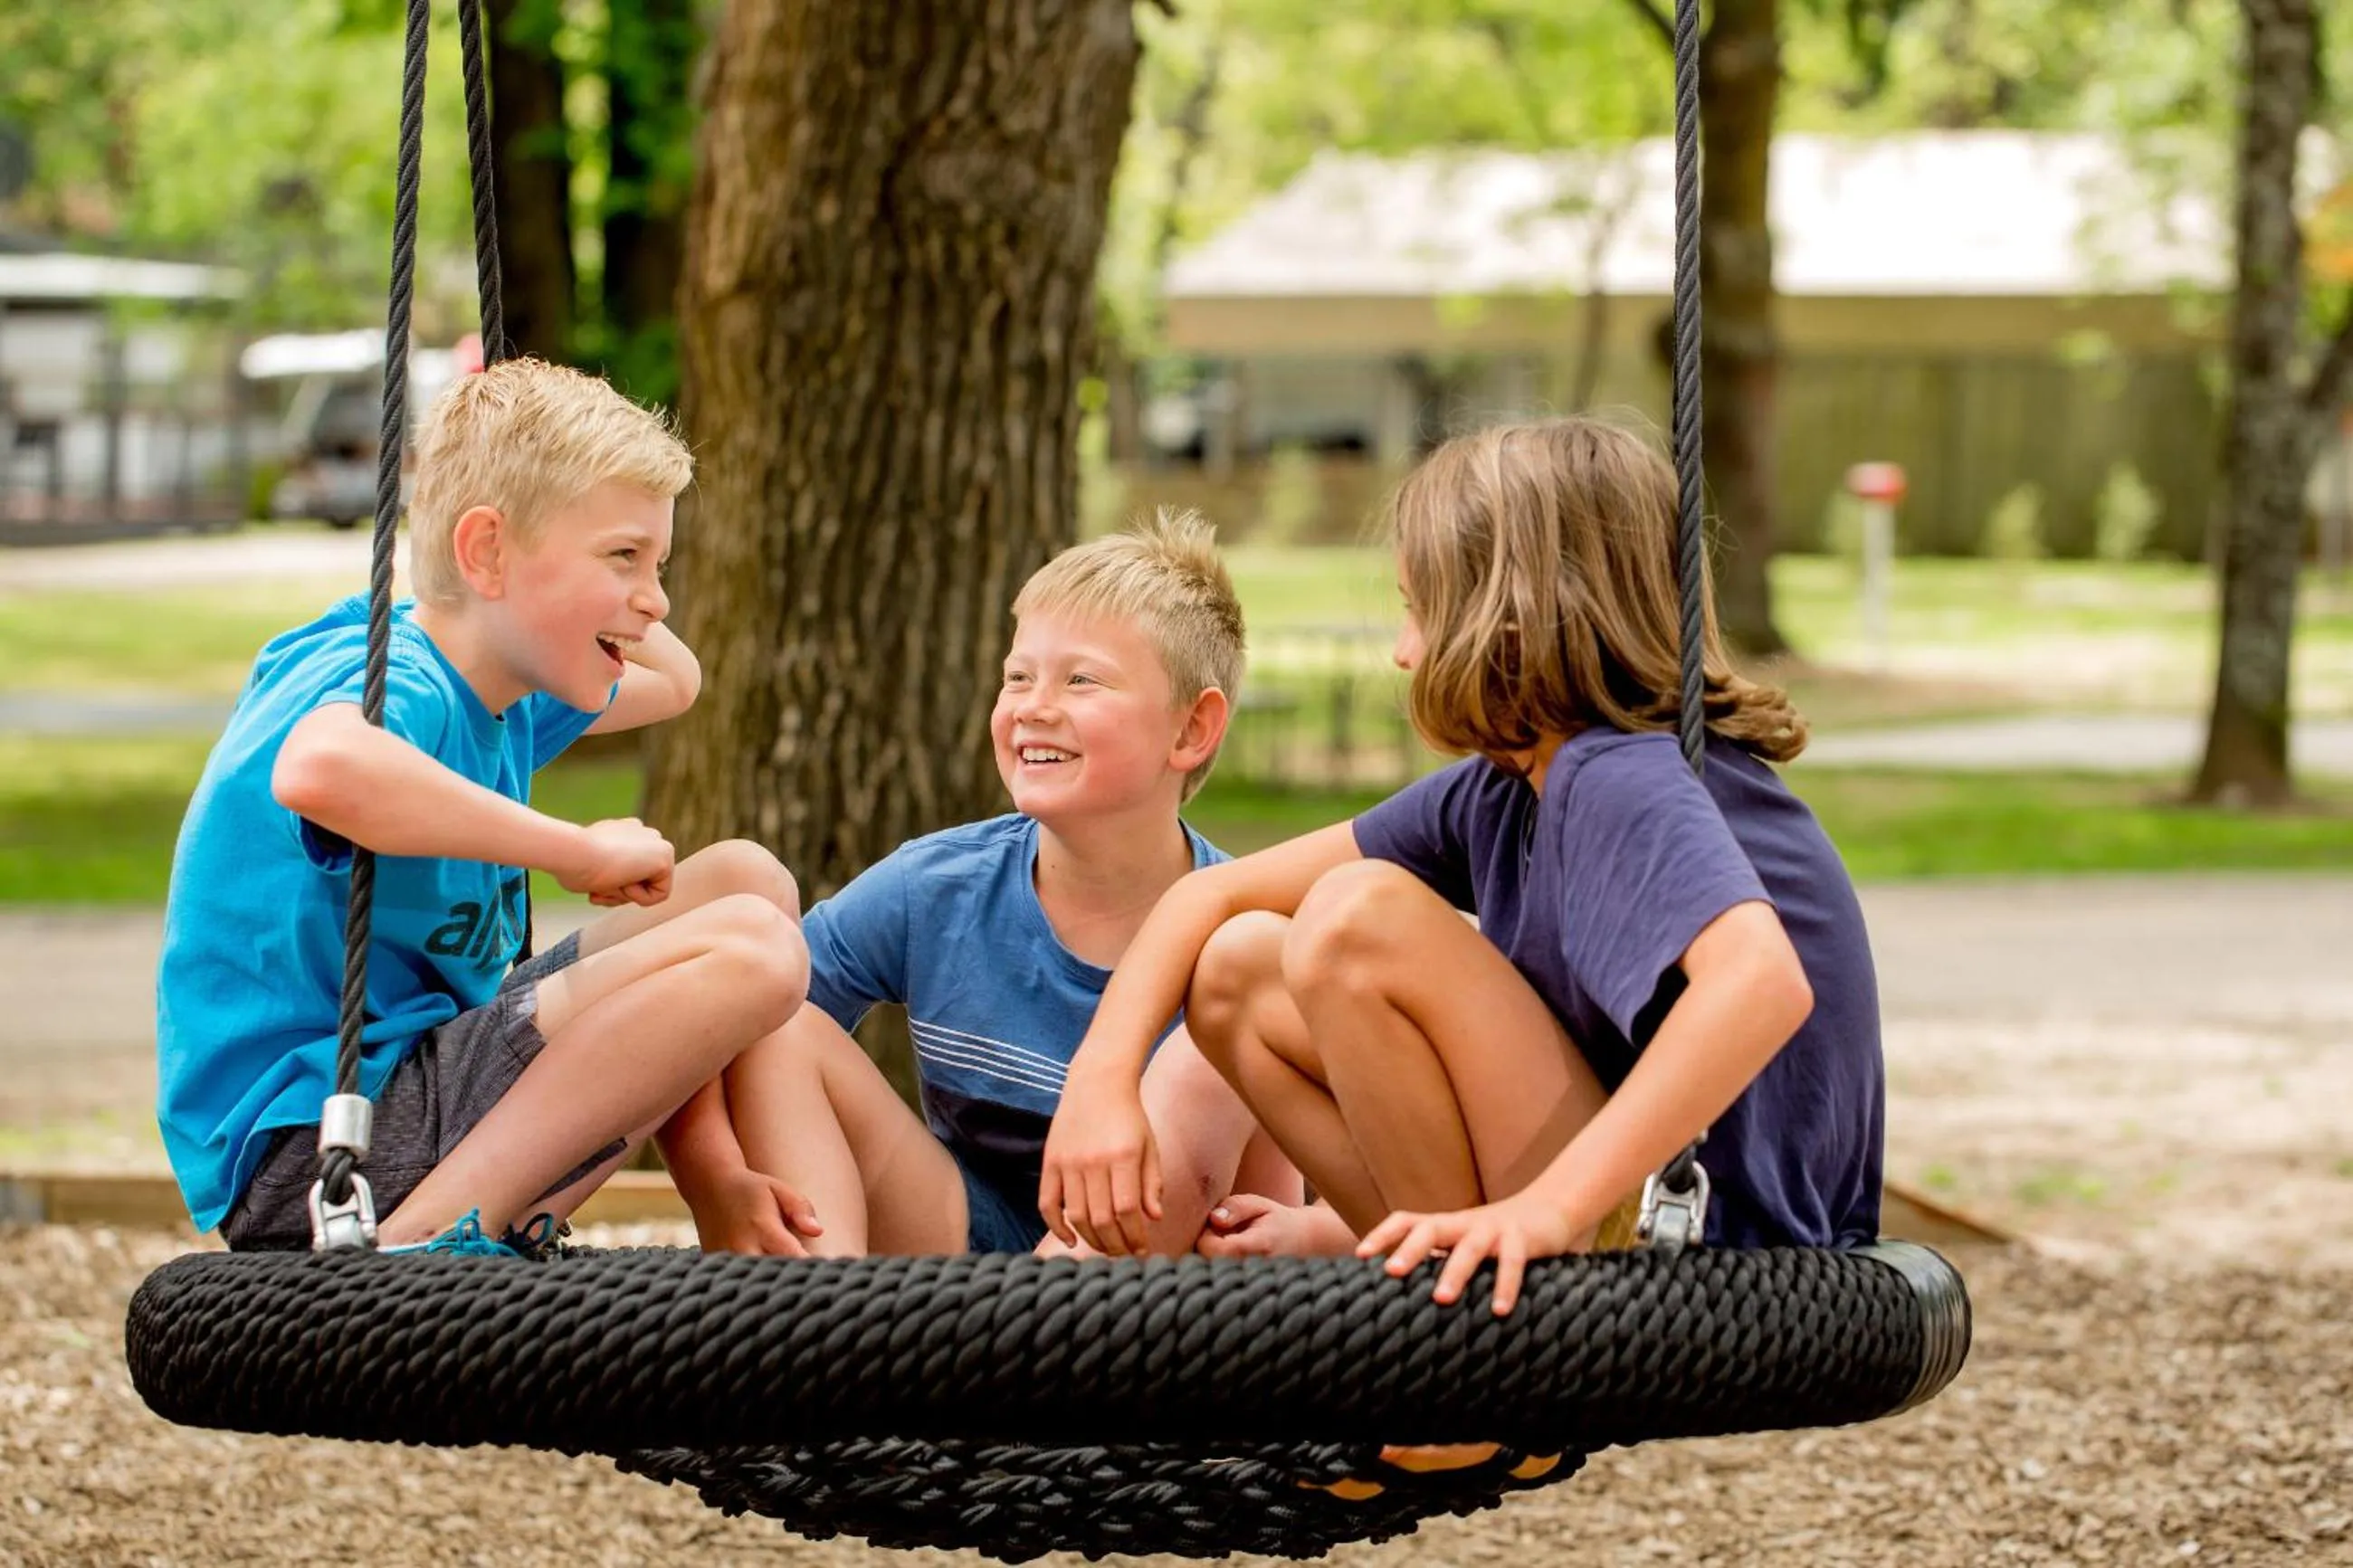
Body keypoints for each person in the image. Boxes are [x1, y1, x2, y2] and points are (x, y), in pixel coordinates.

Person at [1043, 416, 1885, 1316]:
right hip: (1610, 1220)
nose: (1402, 650)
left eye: (1417, 610)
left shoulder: (1618, 772)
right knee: (1237, 967)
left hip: (1720, 1252)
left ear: (1510, 617)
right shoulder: (1504, 789)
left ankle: (1468, 1377)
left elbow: (1760, 981)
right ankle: (1441, 1295)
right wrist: (1098, 1081)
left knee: (1355, 915)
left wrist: (1548, 1208)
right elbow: (1208, 897)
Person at [156, 357, 810, 1256]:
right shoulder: (399, 671)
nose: (656, 597)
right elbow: (320, 767)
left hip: (428, 1092)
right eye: (623, 554)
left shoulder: (505, 690)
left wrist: (611, 587)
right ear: (487, 553)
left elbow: (677, 680)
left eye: (660, 562)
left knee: (748, 882)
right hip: (315, 1145)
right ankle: (430, 1244)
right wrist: (572, 851)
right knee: (756, 949)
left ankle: (697, 1192)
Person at [662, 509, 1299, 1258]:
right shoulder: (938, 885)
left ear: (1192, 730)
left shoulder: (1242, 933)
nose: (1033, 705)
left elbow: (1272, 1197)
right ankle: (818, 1325)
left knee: (1216, 1037)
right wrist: (714, 1175)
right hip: (961, 1249)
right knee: (780, 1011)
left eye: (1082, 679)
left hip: (1142, 1292)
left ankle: (1019, 1346)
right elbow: (718, 1018)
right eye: (1017, 676)